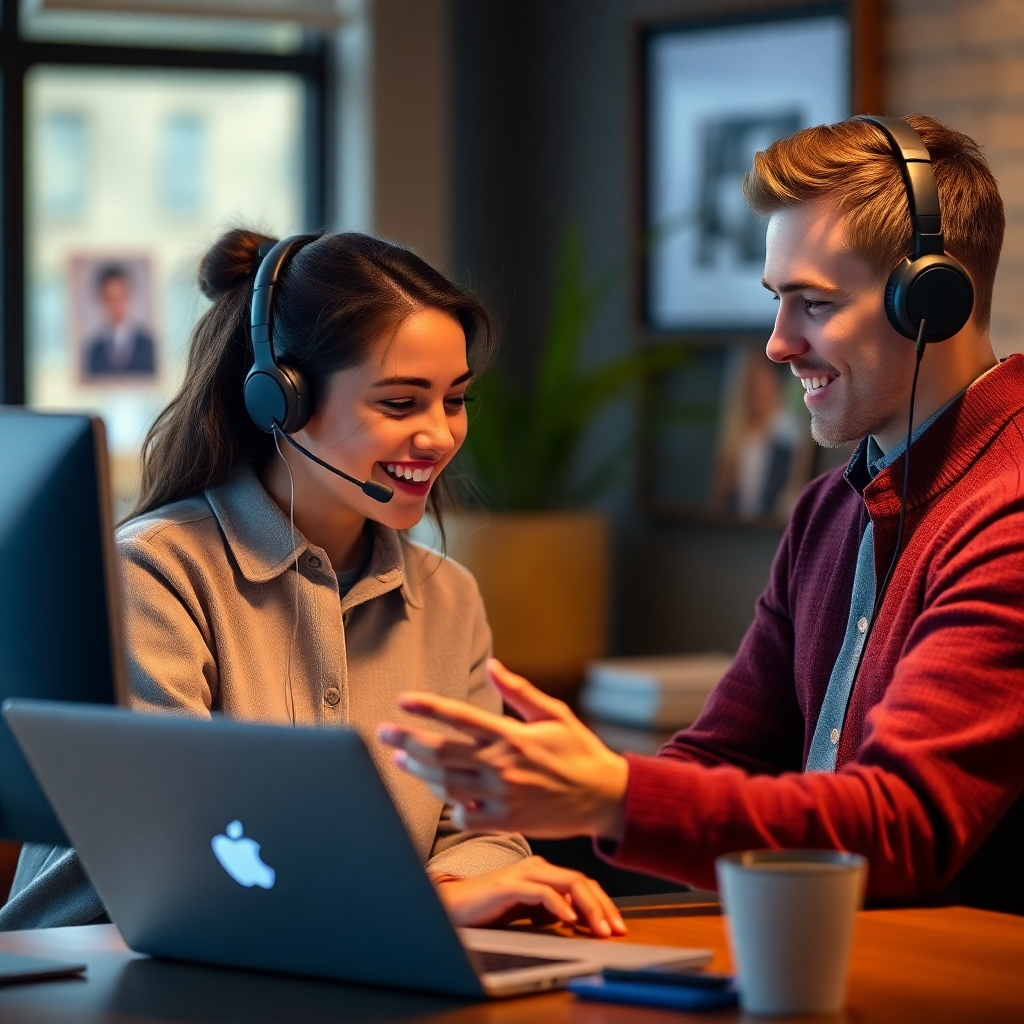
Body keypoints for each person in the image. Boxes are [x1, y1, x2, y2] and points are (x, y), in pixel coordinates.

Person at [379, 114, 1024, 915]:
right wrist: (522, 825)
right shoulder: (831, 510)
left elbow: (903, 827)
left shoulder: (1009, 516)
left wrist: (611, 792)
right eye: (776, 300)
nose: (778, 344)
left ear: (932, 302)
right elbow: (727, 758)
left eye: (813, 304)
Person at [0, 229, 625, 939]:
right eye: (399, 403)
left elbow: (483, 834)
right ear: (280, 404)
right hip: (118, 974)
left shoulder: (447, 599)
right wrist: (425, 907)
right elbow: (183, 867)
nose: (440, 436)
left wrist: (440, 894)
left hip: (342, 970)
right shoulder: (152, 575)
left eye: (454, 400)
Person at [82, 264, 157, 378]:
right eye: (110, 299)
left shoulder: (148, 346)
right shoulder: (94, 350)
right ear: (101, 301)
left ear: (130, 296)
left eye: (121, 297)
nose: (116, 305)